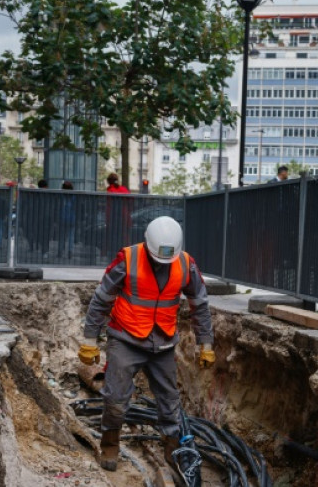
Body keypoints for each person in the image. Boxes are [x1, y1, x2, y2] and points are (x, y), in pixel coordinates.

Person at [78, 216, 215, 471]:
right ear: (147, 245)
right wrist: (90, 340)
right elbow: (101, 299)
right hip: (125, 338)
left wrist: (206, 344)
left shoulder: (186, 264)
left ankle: (172, 447)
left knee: (169, 400)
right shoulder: (127, 259)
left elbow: (200, 305)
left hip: (162, 342)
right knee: (116, 398)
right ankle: (110, 442)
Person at [59, 181, 76, 259]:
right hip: (72, 219)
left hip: (62, 219)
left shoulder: (61, 196)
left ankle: (60, 252)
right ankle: (70, 252)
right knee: (71, 237)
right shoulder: (74, 197)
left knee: (62, 236)